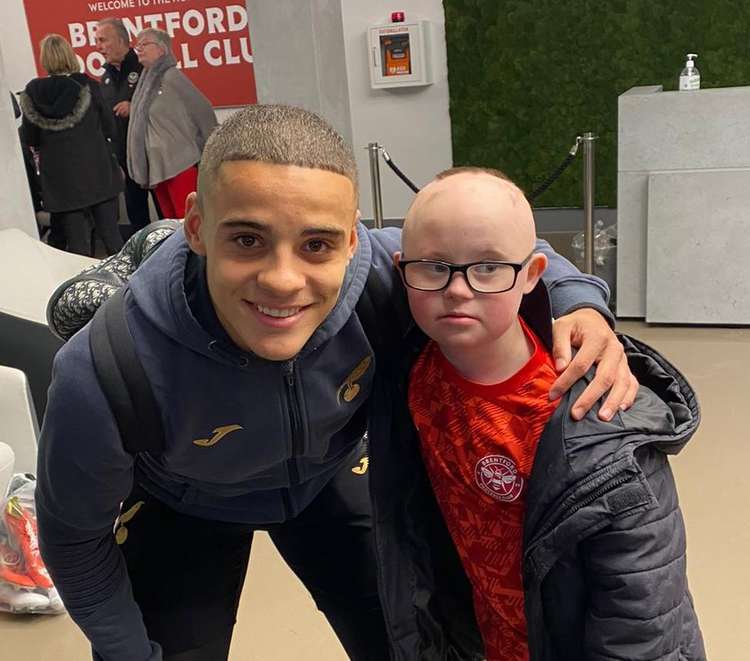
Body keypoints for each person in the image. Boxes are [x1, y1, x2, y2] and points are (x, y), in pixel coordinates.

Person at [38, 105, 637, 661]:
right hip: (184, 501)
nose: (282, 279)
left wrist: (581, 303)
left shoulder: (384, 274)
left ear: (353, 239)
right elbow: (75, 541)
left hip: (330, 475)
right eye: (246, 239)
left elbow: (504, 253)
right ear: (195, 227)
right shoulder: (108, 369)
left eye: (317, 245)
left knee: (415, 642)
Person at [376, 166, 705, 659]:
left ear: (532, 275)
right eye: (434, 266)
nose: (458, 289)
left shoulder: (597, 421)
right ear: (403, 271)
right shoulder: (412, 367)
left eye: (488, 267)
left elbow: (642, 611)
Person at [19, 34, 123, 256]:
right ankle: (128, 289)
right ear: (69, 54)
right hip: (98, 175)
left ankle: (84, 290)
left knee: (78, 250)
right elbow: (110, 129)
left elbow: (30, 139)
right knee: (113, 242)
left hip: (61, 185)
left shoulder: (32, 94)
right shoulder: (88, 86)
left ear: (45, 59)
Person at [127, 28, 216, 219]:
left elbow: (204, 110)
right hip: (157, 168)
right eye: (137, 45)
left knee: (190, 220)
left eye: (144, 44)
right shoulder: (145, 81)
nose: (139, 49)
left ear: (161, 49)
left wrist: (211, 153)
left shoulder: (171, 76)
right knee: (172, 225)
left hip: (179, 164)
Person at [96, 17, 159, 233]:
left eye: (103, 40)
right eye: (97, 41)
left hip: (153, 156)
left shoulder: (145, 67)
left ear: (122, 39)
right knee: (137, 216)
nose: (99, 47)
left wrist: (135, 107)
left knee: (167, 214)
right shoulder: (104, 78)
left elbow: (165, 105)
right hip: (126, 159)